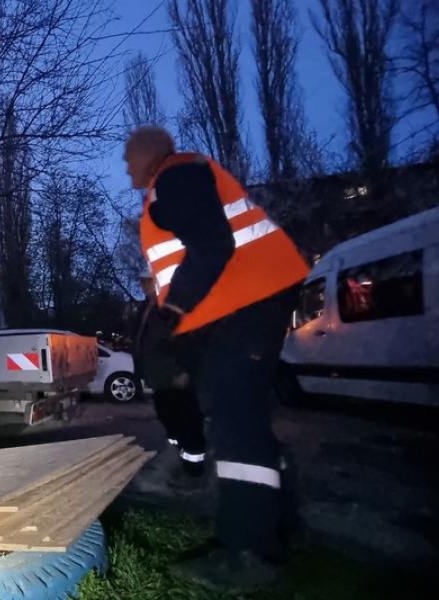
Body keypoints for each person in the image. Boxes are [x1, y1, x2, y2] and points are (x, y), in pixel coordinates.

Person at [123, 126, 309, 590]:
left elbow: (212, 244)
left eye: (129, 157)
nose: (126, 166)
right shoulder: (179, 178)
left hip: (249, 305)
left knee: (234, 418)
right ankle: (273, 528)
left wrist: (172, 310)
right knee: (241, 415)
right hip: (248, 305)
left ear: (149, 153)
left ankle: (248, 552)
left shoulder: (173, 176)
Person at [133, 261, 207, 491]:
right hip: (159, 378)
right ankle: (177, 457)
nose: (144, 285)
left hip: (176, 377)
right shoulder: (147, 308)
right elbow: (144, 343)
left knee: (188, 423)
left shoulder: (171, 307)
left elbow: (187, 340)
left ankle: (195, 473)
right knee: (169, 419)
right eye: (143, 281)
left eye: (148, 280)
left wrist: (181, 371)